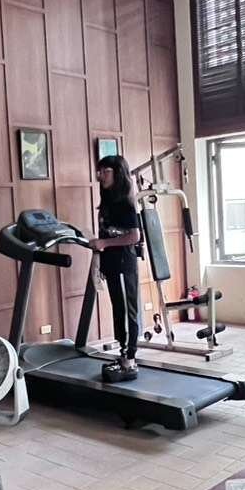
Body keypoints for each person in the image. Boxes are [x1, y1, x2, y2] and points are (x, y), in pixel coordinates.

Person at [93, 154, 143, 381]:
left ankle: (129, 358)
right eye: (100, 171)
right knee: (118, 310)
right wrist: (103, 260)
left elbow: (134, 236)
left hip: (124, 263)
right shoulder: (107, 201)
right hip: (112, 263)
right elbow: (106, 234)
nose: (101, 176)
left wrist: (104, 243)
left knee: (126, 312)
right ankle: (124, 354)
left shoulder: (125, 203)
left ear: (118, 174)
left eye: (106, 172)